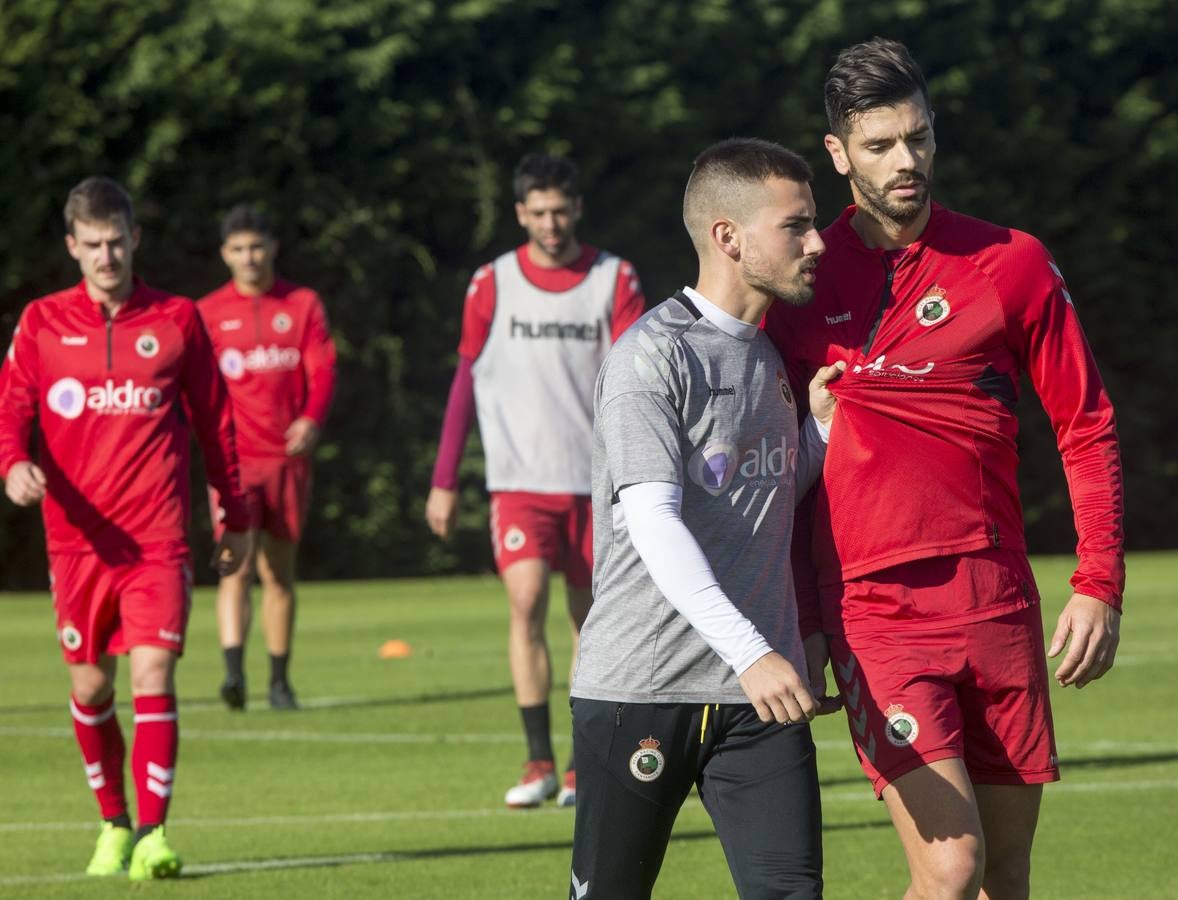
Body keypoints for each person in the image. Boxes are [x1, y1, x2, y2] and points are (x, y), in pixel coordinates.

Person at [763, 38, 1124, 900]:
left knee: (1004, 873)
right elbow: (779, 476)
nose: (906, 161)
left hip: (997, 601)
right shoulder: (804, 285)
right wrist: (804, 616)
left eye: (918, 138)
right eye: (881, 145)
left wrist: (1100, 580)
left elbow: (1087, 423)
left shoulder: (1012, 263)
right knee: (952, 864)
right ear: (839, 153)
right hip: (875, 614)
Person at [569, 138, 846, 899]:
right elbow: (654, 526)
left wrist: (815, 432)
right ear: (728, 236)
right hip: (642, 688)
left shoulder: (767, 358)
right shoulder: (650, 358)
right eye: (796, 226)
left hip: (759, 697)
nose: (817, 242)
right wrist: (754, 651)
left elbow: (758, 501)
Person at [0, 177, 251, 880]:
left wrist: (235, 515)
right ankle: (111, 822)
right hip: (76, 544)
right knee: (89, 689)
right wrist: (13, 465)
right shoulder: (42, 323)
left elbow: (216, 421)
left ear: (135, 239)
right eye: (94, 245)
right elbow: (11, 411)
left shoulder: (176, 319)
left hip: (158, 538)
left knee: (153, 673)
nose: (107, 256)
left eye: (118, 242)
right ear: (72, 247)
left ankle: (153, 834)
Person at [425, 153, 646, 808]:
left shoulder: (614, 277)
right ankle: (537, 761)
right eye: (538, 212)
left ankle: (581, 765)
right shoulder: (491, 283)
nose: (551, 223)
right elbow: (466, 379)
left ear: (576, 209)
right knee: (525, 604)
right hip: (519, 481)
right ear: (521, 214)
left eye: (561, 210)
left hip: (596, 481)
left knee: (591, 621)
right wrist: (443, 479)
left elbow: (637, 379)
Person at [198, 205, 337, 711]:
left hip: (285, 460)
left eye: (256, 247)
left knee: (279, 572)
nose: (248, 257)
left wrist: (311, 418)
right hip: (232, 464)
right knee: (233, 566)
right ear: (224, 255)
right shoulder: (208, 312)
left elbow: (322, 370)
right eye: (238, 249)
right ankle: (233, 676)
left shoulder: (300, 305)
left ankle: (279, 681)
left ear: (272, 248)